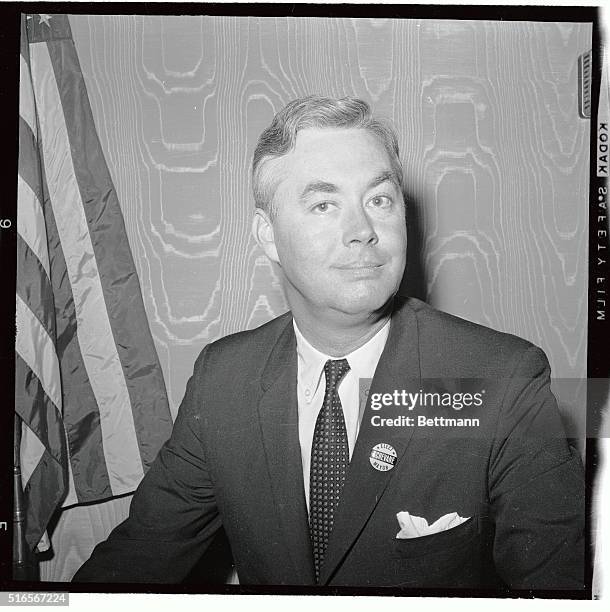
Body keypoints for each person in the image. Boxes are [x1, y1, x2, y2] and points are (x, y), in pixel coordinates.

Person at [73, 96, 584, 589]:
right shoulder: (222, 382)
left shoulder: (504, 381)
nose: (363, 229)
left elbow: (556, 592)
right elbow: (137, 559)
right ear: (268, 235)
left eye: (379, 199)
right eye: (323, 204)